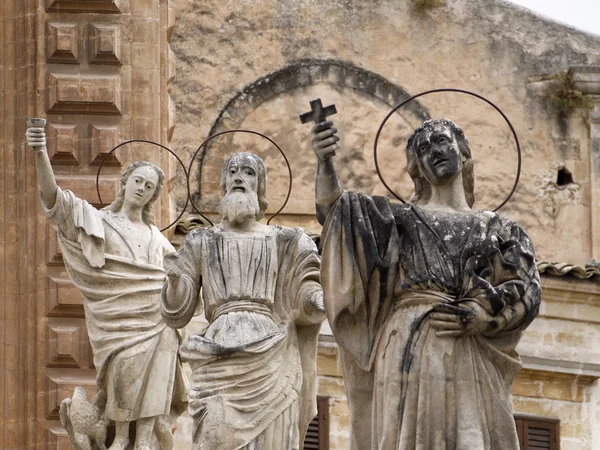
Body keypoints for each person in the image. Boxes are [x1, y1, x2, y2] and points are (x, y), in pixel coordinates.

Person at [311, 118, 541, 450]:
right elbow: (335, 214)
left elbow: (528, 289)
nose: (434, 151)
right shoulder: (399, 220)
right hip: (409, 340)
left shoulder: (498, 228)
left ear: (462, 153)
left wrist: (488, 319)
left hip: (470, 346)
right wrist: (324, 161)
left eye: (441, 141)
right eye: (423, 149)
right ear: (417, 168)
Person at [26, 123, 187, 450]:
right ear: (124, 184)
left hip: (157, 325)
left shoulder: (159, 240)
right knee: (122, 375)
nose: (141, 188)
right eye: (137, 181)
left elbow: (182, 282)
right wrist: (40, 151)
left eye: (149, 186)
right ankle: (122, 437)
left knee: (162, 359)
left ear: (154, 195)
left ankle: (143, 439)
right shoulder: (97, 222)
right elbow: (54, 201)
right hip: (117, 327)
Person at [161, 152, 326, 450]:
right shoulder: (201, 240)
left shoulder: (285, 239)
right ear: (223, 183)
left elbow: (306, 286)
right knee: (214, 433)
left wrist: (315, 299)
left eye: (248, 173)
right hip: (218, 348)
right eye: (232, 171)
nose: (239, 177)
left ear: (260, 185)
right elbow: (177, 311)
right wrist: (174, 280)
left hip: (272, 350)